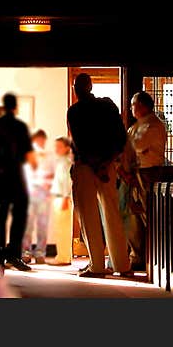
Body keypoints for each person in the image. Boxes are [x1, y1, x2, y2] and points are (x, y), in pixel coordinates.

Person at [67, 73, 129, 277]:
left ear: (76, 89)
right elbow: (121, 136)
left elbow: (80, 142)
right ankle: (121, 264)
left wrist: (95, 165)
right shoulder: (108, 106)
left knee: (88, 215)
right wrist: (106, 162)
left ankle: (97, 265)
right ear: (91, 86)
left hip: (86, 167)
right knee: (111, 212)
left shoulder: (75, 111)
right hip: (107, 166)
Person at [121, 91, 168, 271]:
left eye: (133, 104)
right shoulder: (136, 126)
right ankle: (136, 255)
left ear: (142, 105)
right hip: (134, 174)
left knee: (147, 215)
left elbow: (136, 146)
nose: (131, 108)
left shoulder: (154, 125)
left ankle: (150, 256)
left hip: (148, 174)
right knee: (133, 217)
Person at [0, 93, 34, 271]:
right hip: (16, 175)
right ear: (15, 107)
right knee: (20, 215)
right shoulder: (20, 126)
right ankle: (14, 254)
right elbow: (27, 153)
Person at [23, 129, 55, 264]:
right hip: (30, 191)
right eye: (38, 140)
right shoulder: (27, 156)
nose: (40, 142)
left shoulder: (48, 157)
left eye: (42, 140)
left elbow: (52, 174)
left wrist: (47, 184)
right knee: (28, 225)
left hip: (43, 192)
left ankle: (40, 253)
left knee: (42, 225)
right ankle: (25, 253)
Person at [50, 135, 74, 265]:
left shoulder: (66, 162)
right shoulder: (61, 162)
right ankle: (64, 256)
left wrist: (65, 197)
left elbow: (67, 181)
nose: (56, 149)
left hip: (63, 197)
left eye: (59, 147)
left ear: (66, 148)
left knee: (63, 229)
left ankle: (64, 257)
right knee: (60, 228)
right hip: (59, 196)